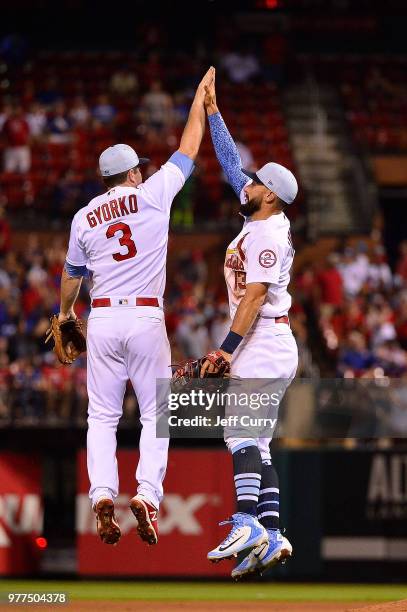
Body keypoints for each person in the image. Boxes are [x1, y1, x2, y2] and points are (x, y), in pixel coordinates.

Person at [58, 67, 215, 546]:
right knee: (154, 415)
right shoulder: (152, 194)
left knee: (102, 418)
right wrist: (197, 103)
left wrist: (66, 315)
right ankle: (146, 495)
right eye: (139, 166)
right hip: (146, 317)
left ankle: (103, 494)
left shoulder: (84, 216)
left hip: (101, 316)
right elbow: (188, 149)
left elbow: (71, 278)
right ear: (131, 173)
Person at [202, 74, 298, 578]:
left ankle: (246, 522)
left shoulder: (268, 235)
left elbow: (255, 298)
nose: (250, 182)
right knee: (257, 444)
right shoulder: (260, 213)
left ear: (273, 196)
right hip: (270, 342)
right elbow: (228, 164)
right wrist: (215, 112)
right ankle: (273, 531)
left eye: (259, 181)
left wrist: (224, 349)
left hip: (262, 338)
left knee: (238, 431)